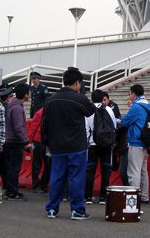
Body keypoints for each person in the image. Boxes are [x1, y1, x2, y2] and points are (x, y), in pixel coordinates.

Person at [41, 67, 96, 220]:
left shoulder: (51, 99)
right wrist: (81, 96)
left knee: (57, 177)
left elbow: (44, 123)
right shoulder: (79, 98)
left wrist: (47, 142)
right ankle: (77, 210)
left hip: (57, 146)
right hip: (76, 146)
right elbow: (91, 111)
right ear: (77, 82)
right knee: (76, 178)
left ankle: (52, 209)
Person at [118, 84, 150, 204]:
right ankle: (144, 196)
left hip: (136, 142)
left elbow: (125, 121)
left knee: (134, 171)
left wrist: (117, 120)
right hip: (144, 143)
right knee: (143, 171)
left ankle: (133, 197)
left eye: (130, 94)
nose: (129, 96)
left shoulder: (136, 106)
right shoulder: (147, 105)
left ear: (133, 94)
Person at [84, 89, 117, 205]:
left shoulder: (89, 110)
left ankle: (88, 196)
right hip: (106, 143)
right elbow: (113, 126)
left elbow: (86, 129)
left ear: (92, 99)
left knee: (90, 170)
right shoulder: (108, 109)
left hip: (93, 144)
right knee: (105, 170)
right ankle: (103, 196)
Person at [4, 83, 32, 201]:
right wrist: (26, 141)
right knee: (14, 168)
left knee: (12, 167)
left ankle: (12, 190)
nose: (30, 95)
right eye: (29, 93)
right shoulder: (17, 108)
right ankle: (12, 192)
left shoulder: (13, 105)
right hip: (15, 141)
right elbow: (18, 127)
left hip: (11, 140)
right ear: (25, 95)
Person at [104, 92, 128, 186]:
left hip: (124, 144)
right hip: (119, 144)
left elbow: (122, 124)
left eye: (105, 100)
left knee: (125, 170)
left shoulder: (112, 107)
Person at [28, 101, 51, 194]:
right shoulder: (40, 113)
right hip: (39, 141)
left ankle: (43, 184)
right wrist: (29, 142)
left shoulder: (52, 112)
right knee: (37, 164)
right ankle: (36, 185)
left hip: (48, 142)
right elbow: (33, 128)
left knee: (48, 164)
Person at [0, 86, 13, 185]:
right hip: (8, 139)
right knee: (8, 163)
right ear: (9, 97)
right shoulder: (11, 109)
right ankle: (7, 184)